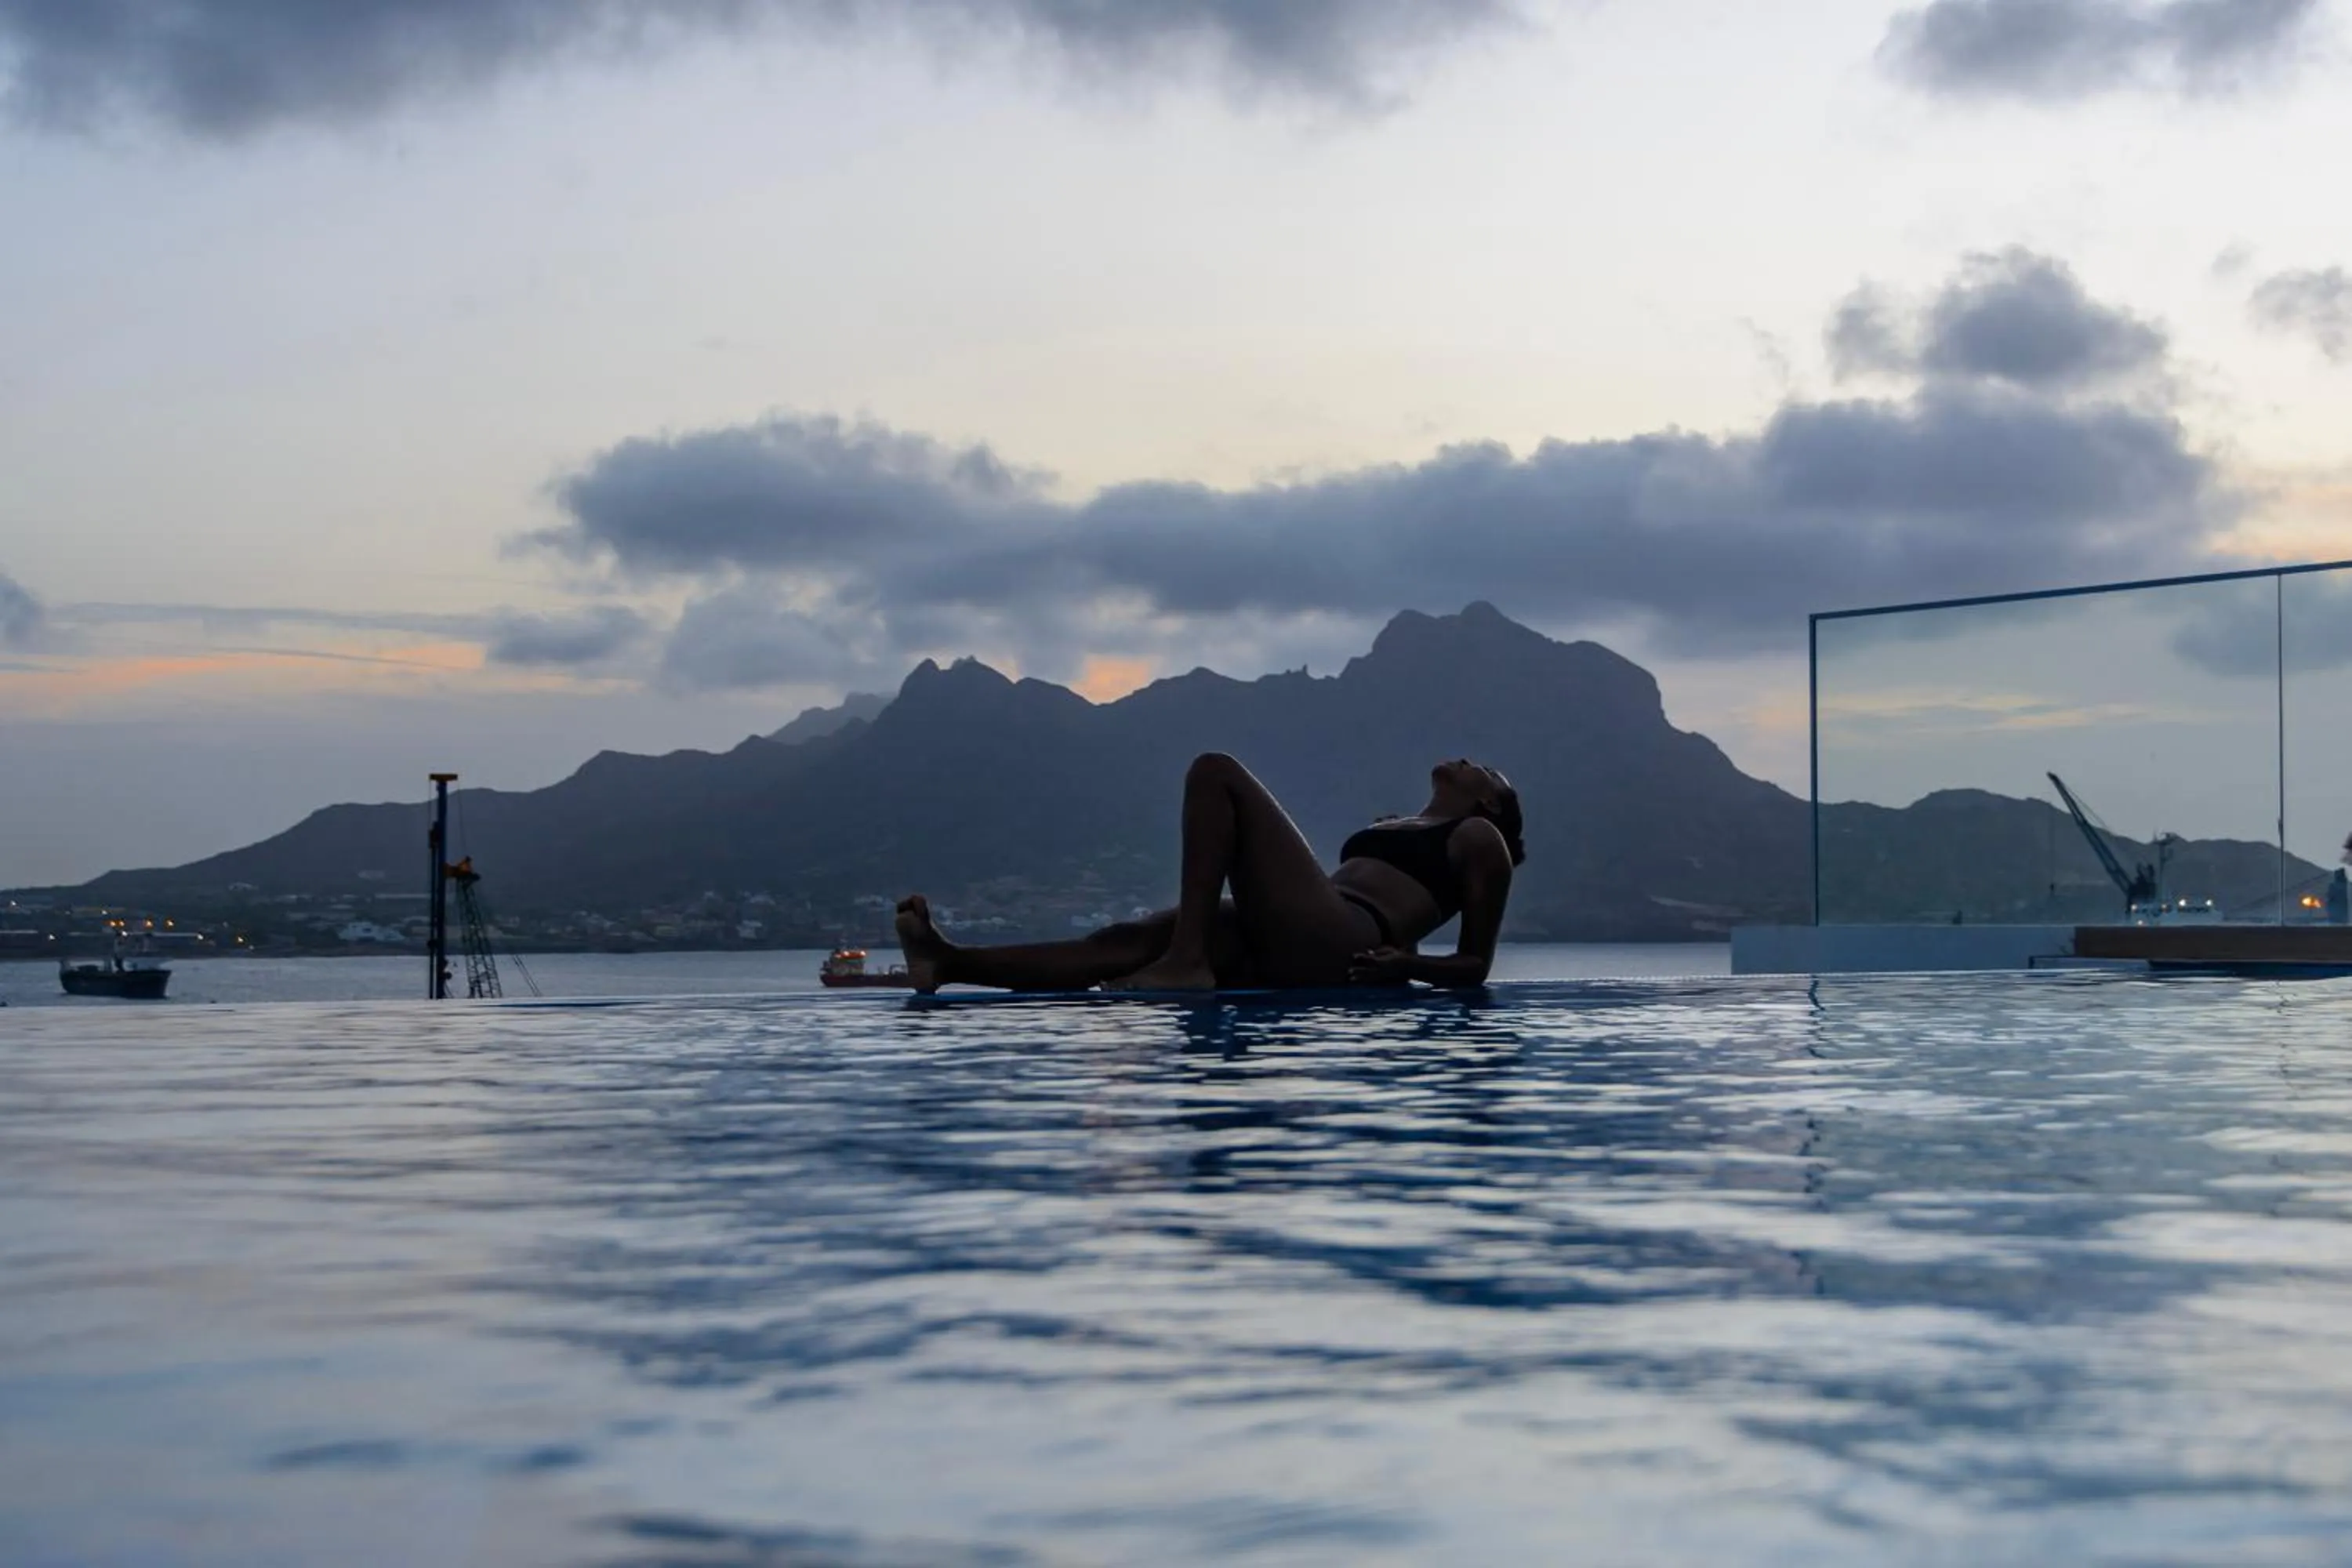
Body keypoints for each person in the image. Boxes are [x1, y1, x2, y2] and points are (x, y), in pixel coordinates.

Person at [892, 752, 1524, 993]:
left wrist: (1403, 966)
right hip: (1300, 934)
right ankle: (946, 964)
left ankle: (1188, 958)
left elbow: (1476, 965)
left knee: (1215, 771)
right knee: (1119, 943)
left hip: (1344, 941)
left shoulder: (1480, 837)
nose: (1472, 760)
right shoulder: (1394, 824)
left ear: (1489, 800)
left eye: (1487, 769)